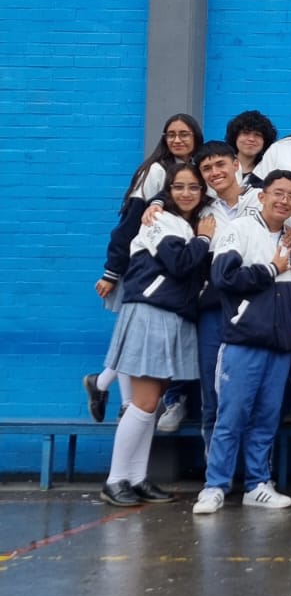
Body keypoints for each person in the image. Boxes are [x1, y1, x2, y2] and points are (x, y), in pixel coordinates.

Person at [99, 162, 214, 506]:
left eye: (194, 187)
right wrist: (205, 238)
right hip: (151, 313)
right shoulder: (160, 219)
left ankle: (136, 477)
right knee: (144, 403)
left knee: (150, 406)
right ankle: (115, 479)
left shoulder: (181, 222)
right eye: (179, 187)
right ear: (167, 191)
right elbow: (179, 264)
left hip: (174, 315)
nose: (187, 193)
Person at [193, 170, 291, 514]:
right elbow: (223, 278)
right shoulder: (238, 229)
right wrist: (271, 269)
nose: (284, 200)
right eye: (278, 193)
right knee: (231, 416)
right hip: (242, 341)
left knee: (266, 418)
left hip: (279, 346)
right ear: (261, 195)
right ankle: (215, 486)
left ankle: (257, 484)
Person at [85, 112, 203, 427]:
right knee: (135, 346)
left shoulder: (195, 171)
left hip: (173, 267)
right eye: (171, 134)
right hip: (145, 264)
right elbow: (129, 222)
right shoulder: (155, 170)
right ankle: (125, 403)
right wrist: (112, 271)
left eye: (185, 134)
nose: (177, 139)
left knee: (138, 349)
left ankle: (101, 384)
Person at [193, 141, 258, 451]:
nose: (214, 172)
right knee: (213, 390)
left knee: (252, 393)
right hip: (213, 309)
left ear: (236, 164)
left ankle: (254, 474)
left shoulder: (262, 199)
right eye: (206, 168)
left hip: (255, 308)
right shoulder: (200, 210)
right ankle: (216, 475)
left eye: (220, 164)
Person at [224, 110, 277, 186]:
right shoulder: (221, 167)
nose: (251, 139)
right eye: (246, 133)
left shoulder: (268, 171)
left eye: (257, 135)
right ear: (235, 137)